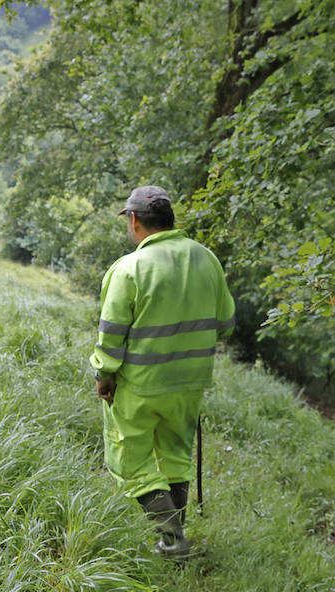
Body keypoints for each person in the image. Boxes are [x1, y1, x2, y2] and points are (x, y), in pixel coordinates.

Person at [91, 186, 235, 559]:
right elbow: (226, 322)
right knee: (174, 454)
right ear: (170, 220)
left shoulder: (129, 268)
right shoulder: (207, 259)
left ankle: (172, 541)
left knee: (131, 459)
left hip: (141, 384)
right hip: (191, 382)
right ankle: (173, 540)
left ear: (134, 220)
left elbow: (111, 335)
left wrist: (104, 376)